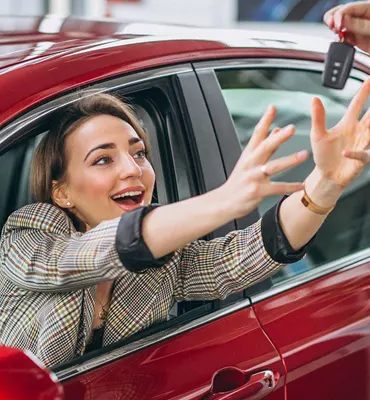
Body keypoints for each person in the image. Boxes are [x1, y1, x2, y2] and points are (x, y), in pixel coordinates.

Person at [1, 84, 370, 367]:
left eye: (138, 152)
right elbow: (74, 258)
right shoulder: (32, 231)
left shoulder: (163, 259)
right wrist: (224, 200)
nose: (132, 169)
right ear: (62, 192)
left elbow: (244, 256)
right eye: (102, 160)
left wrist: (323, 186)